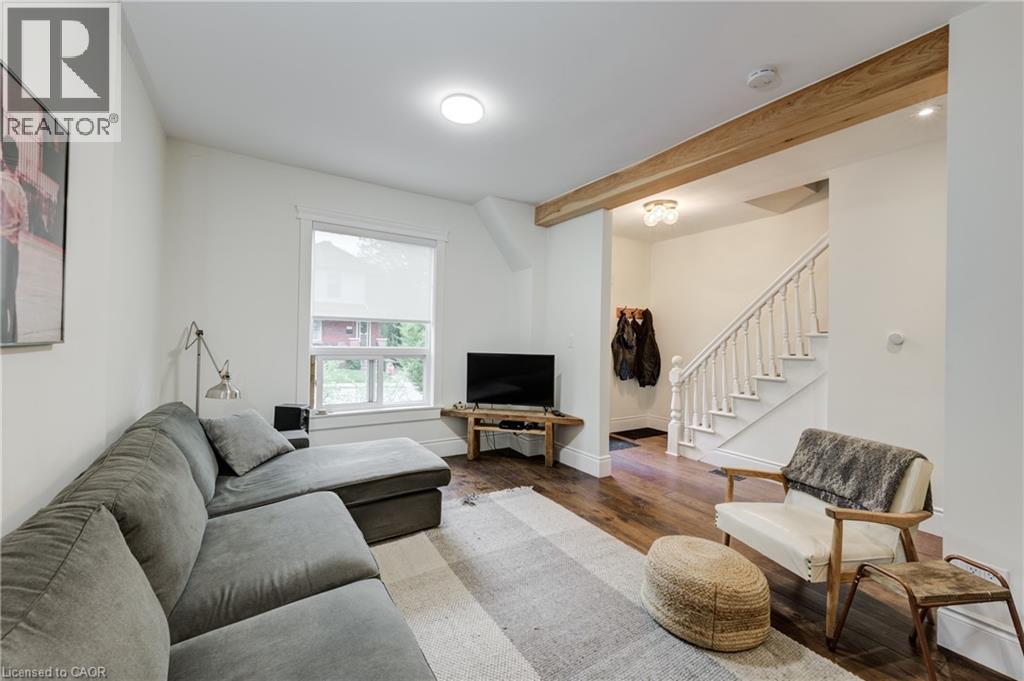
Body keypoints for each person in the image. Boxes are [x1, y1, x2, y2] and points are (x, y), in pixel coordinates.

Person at [1, 137, 29, 343]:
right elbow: (25, 225)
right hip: (12, 248)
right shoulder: (19, 190)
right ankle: (12, 337)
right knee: (10, 295)